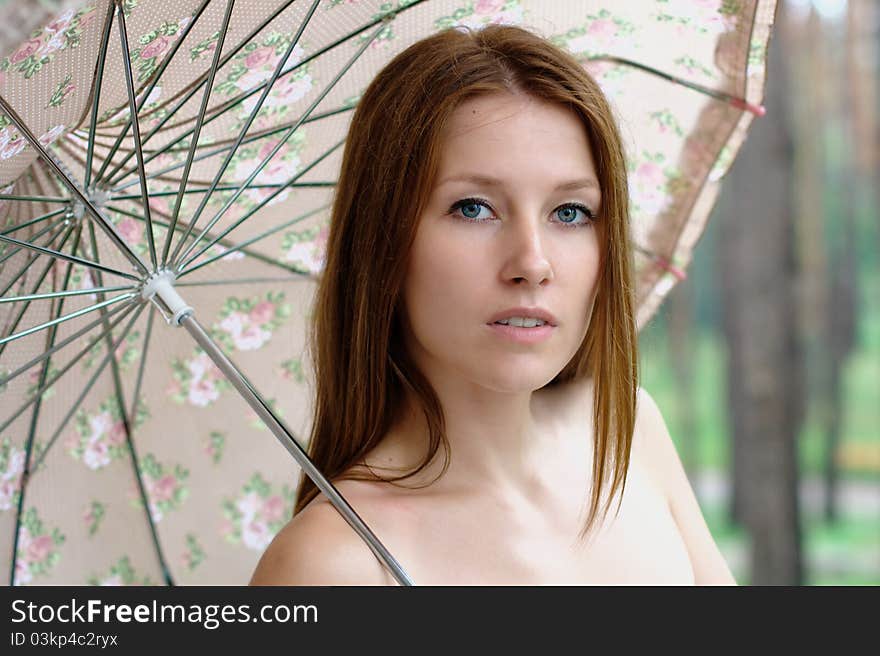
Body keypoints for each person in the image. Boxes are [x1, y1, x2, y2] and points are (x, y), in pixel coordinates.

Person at [249, 23, 735, 585]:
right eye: (474, 208)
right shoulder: (335, 563)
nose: (533, 262)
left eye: (571, 212)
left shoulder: (627, 436)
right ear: (382, 241)